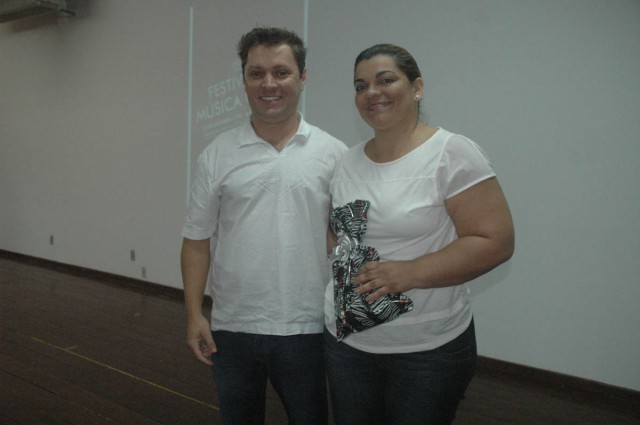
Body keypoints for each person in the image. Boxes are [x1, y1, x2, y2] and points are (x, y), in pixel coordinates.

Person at [324, 44, 515, 425]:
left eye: (385, 80)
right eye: (361, 86)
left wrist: (408, 272)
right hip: (347, 342)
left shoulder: (451, 153)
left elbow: (495, 242)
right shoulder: (346, 160)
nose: (372, 92)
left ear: (417, 88)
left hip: (427, 352)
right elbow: (341, 234)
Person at [181, 27, 347, 425]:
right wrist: (194, 313)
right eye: (257, 73)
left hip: (308, 325)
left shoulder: (335, 154)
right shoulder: (216, 155)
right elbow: (196, 241)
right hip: (233, 327)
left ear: (303, 78)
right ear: (243, 80)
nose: (268, 84)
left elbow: (345, 242)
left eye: (281, 72)